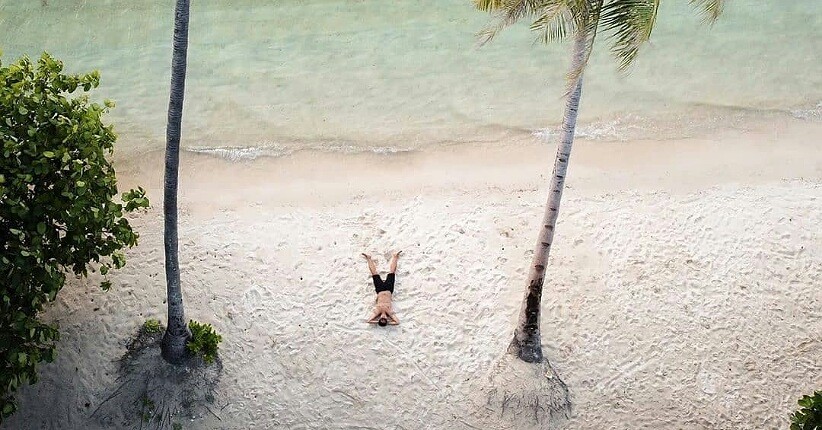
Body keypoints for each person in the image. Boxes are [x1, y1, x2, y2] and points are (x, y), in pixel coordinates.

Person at [362, 251, 401, 326]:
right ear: (386, 319)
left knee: (374, 273)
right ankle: (395, 256)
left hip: (379, 290)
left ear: (379, 318)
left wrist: (377, 322)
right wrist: (388, 322)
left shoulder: (377, 311)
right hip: (389, 289)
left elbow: (369, 321)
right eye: (385, 319)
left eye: (381, 319)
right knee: (392, 272)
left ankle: (369, 258)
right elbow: (397, 322)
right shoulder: (390, 312)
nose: (383, 317)